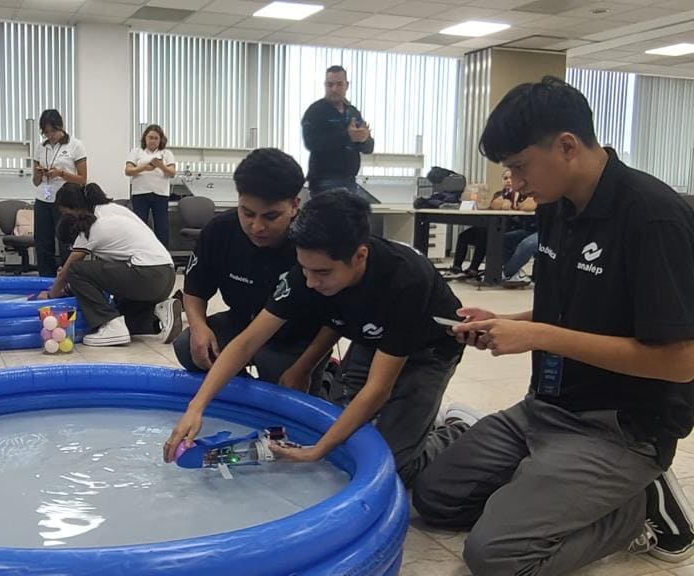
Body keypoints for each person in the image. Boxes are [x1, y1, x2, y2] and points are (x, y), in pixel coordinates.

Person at [412, 76, 694, 575]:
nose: (513, 184)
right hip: (545, 407)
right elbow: (571, 316)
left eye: (520, 167)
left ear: (566, 146)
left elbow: (679, 362)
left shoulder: (653, 218)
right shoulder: (557, 208)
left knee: (495, 557)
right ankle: (550, 489)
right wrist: (507, 323)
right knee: (434, 496)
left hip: (620, 429)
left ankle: (634, 509)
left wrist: (537, 336)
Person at [164, 189, 467, 487]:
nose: (310, 282)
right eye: (305, 269)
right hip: (370, 337)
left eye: (322, 272)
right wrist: (197, 407)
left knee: (396, 468)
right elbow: (246, 342)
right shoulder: (307, 275)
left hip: (428, 350)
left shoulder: (405, 280)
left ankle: (458, 430)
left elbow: (378, 389)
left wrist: (317, 451)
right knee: (339, 429)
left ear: (360, 256)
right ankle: (413, 418)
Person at [173, 148, 326, 391]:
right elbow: (194, 290)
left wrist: (305, 367)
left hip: (296, 336)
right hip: (242, 321)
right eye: (248, 213)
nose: (257, 227)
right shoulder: (220, 231)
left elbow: (336, 320)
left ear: (295, 205)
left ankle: (322, 379)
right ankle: (240, 395)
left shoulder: (313, 242)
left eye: (270, 216)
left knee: (277, 371)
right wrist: (199, 327)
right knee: (188, 346)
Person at [40, 183, 181, 347]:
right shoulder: (112, 209)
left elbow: (68, 271)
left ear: (75, 208)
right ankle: (158, 314)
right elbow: (103, 275)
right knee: (123, 314)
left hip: (148, 275)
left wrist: (50, 297)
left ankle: (110, 325)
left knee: (75, 270)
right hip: (164, 275)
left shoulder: (93, 226)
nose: (64, 218)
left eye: (65, 213)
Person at [301, 65, 374, 197]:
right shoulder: (315, 111)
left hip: (350, 181)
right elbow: (311, 143)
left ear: (347, 85)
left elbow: (368, 148)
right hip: (324, 182)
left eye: (339, 84)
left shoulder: (352, 111)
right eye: (330, 85)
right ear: (325, 85)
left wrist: (364, 139)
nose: (334, 89)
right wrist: (347, 136)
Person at [32, 109, 86, 278]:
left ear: (60, 126)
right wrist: (40, 173)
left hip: (65, 201)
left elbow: (82, 179)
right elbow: (35, 181)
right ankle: (45, 279)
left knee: (66, 242)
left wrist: (61, 173)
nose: (50, 135)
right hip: (43, 199)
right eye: (46, 132)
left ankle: (69, 278)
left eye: (53, 131)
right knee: (42, 242)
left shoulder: (75, 145)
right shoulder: (41, 148)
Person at [126, 124, 176, 247]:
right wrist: (144, 167)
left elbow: (172, 173)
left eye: (156, 138)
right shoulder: (137, 152)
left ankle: (162, 256)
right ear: (145, 138)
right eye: (150, 137)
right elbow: (128, 171)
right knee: (139, 226)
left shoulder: (166, 153)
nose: (153, 140)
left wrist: (160, 165)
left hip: (160, 194)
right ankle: (138, 252)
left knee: (162, 227)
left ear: (160, 140)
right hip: (140, 194)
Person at [490, 168, 539, 287]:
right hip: (528, 229)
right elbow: (495, 205)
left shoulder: (535, 189)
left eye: (511, 178)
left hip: (545, 230)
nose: (509, 181)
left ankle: (507, 273)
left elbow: (529, 205)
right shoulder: (509, 192)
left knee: (527, 245)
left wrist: (516, 205)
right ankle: (510, 273)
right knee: (505, 239)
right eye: (506, 178)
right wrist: (505, 201)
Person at [449, 184, 493, 278]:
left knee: (482, 237)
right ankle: (457, 266)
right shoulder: (497, 194)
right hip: (480, 227)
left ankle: (473, 267)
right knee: (463, 236)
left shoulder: (495, 196)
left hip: (492, 229)